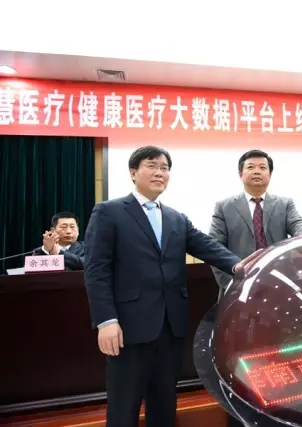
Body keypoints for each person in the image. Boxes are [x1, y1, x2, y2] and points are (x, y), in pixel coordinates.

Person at [83, 146, 257, 427]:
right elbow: (96, 270)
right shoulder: (109, 212)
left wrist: (238, 266)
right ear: (133, 172)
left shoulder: (176, 217)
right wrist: (106, 320)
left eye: (164, 168)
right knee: (124, 404)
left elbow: (206, 245)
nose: (159, 173)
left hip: (170, 326)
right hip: (128, 327)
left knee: (164, 403)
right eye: (152, 166)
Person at [209, 149, 302, 290]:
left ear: (270, 174)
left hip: (281, 282)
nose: (257, 171)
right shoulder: (224, 207)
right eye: (250, 167)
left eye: (262, 167)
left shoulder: (285, 204)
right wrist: (230, 284)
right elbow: (215, 247)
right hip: (239, 284)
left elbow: (297, 224)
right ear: (240, 174)